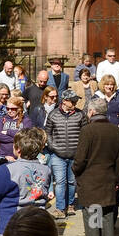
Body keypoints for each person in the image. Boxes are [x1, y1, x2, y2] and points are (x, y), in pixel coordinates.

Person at [72, 98, 119, 236]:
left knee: (91, 212)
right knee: (107, 211)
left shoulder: (87, 130)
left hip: (90, 179)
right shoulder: (117, 131)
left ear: (91, 112)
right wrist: (117, 179)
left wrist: (75, 171)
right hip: (110, 177)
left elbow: (80, 158)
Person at [0, 128, 53, 236]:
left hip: (11, 227)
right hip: (37, 226)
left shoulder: (7, 170)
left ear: (18, 149)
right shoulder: (46, 170)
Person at [44, 90, 87, 219]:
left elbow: (86, 133)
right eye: (72, 100)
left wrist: (81, 150)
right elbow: (48, 133)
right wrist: (53, 147)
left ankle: (71, 205)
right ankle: (60, 208)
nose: (75, 103)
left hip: (75, 155)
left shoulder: (81, 115)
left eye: (75, 100)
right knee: (61, 182)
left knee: (72, 181)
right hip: (58, 155)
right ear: (64, 101)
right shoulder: (53, 115)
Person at [0, 94, 31, 163]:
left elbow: (25, 137)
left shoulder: (26, 121)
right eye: (7, 108)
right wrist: (16, 138)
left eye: (13, 109)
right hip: (2, 155)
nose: (10, 111)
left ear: (19, 108)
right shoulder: (2, 119)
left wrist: (7, 132)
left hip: (20, 157)